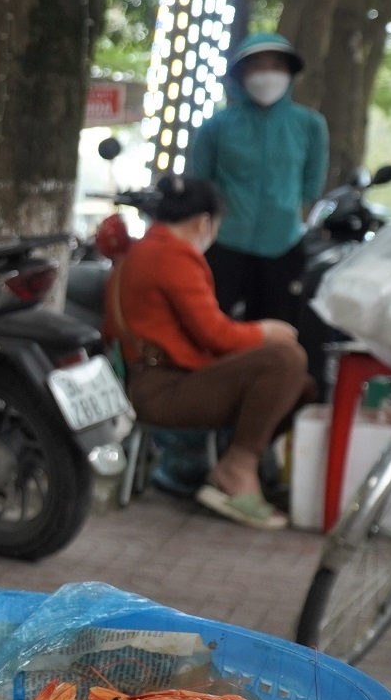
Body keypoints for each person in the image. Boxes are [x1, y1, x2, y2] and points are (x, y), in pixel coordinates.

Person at [105, 174, 313, 531]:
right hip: (161, 389)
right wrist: (268, 332)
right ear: (204, 222)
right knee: (286, 359)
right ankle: (237, 468)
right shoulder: (172, 255)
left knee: (301, 385)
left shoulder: (146, 249)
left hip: (156, 380)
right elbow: (216, 335)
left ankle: (232, 466)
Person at [186, 31, 329, 324]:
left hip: (283, 246)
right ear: (240, 74)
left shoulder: (310, 125)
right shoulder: (216, 127)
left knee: (276, 337)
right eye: (257, 66)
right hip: (224, 245)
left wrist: (283, 212)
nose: (267, 74)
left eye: (276, 65)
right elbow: (199, 183)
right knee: (208, 328)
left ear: (290, 73)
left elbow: (312, 184)